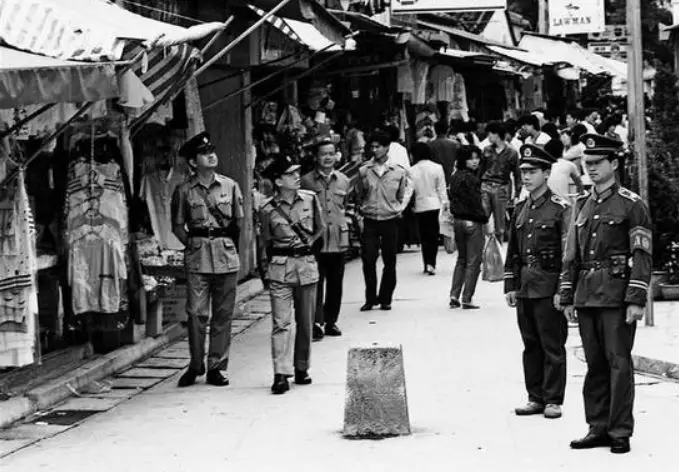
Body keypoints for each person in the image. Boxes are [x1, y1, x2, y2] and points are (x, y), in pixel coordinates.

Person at [560, 134, 652, 454]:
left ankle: (620, 431)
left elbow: (642, 253)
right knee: (595, 364)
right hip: (587, 294)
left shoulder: (631, 204)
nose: (591, 168)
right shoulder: (583, 204)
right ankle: (597, 426)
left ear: (614, 163)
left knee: (619, 364)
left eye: (598, 162)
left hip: (615, 295)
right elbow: (572, 253)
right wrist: (567, 293)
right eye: (587, 163)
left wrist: (636, 298)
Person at [171, 132, 244, 388]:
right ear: (193, 162)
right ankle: (195, 364)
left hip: (226, 256)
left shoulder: (230, 186)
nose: (211, 156)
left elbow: (238, 222)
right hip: (198, 257)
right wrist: (194, 244)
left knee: (223, 314)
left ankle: (216, 366)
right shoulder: (183, 190)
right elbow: (178, 226)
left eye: (212, 151)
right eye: (204, 153)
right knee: (196, 314)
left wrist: (228, 246)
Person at [504, 144, 571, 420]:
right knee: (530, 344)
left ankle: (553, 399)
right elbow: (513, 249)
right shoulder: (521, 208)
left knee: (552, 345)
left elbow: (568, 253)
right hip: (526, 285)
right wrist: (510, 284)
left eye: (532, 171)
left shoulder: (560, 208)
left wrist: (563, 290)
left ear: (546, 173)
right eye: (523, 172)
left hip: (548, 285)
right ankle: (535, 397)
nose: (527, 177)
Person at [259, 156, 325, 395]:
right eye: (290, 174)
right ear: (278, 181)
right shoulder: (267, 209)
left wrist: (307, 245)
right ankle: (280, 373)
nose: (297, 177)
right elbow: (266, 241)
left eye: (297, 172)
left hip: (306, 266)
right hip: (280, 268)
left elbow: (320, 228)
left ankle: (301, 367)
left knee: (306, 322)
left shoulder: (310, 198)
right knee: (281, 323)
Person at [301, 137, 351, 341]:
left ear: (336, 156)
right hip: (316, 239)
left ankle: (331, 321)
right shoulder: (306, 181)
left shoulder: (344, 180)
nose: (328, 158)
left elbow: (347, 206)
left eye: (331, 153)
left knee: (336, 283)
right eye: (323, 154)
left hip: (338, 239)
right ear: (316, 157)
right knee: (316, 282)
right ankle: (316, 322)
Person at [356, 130, 409, 311]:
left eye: (378, 146)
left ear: (387, 148)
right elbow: (360, 194)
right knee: (368, 259)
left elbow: (400, 195)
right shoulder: (364, 171)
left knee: (390, 260)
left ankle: (386, 298)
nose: (375, 150)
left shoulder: (398, 171)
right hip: (370, 219)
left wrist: (396, 208)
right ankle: (370, 298)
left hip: (390, 219)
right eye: (372, 147)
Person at [448, 146, 488, 309]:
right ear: (464, 160)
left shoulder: (454, 177)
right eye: (471, 158)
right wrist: (485, 219)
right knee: (473, 262)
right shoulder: (472, 179)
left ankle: (454, 295)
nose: (475, 161)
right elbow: (476, 203)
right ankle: (467, 298)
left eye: (477, 157)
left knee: (461, 260)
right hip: (472, 222)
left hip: (458, 221)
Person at [410, 142, 449, 275]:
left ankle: (426, 262)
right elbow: (441, 189)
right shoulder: (437, 167)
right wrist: (446, 204)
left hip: (420, 206)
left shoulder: (411, 170)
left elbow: (409, 191)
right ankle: (431, 263)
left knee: (424, 236)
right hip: (435, 204)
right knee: (433, 236)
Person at [482, 122, 521, 242]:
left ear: (497, 134)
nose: (488, 137)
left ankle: (498, 248)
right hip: (485, 186)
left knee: (500, 224)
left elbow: (517, 174)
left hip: (501, 187)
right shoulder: (486, 150)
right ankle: (483, 246)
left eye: (490, 134)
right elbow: (481, 170)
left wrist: (517, 193)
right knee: (482, 218)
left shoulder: (512, 153)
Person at [547, 137, 583, 202]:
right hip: (564, 203)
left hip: (547, 202)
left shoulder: (542, 167)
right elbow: (579, 184)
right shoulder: (570, 165)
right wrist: (580, 194)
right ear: (562, 149)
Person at [429, 120, 459, 188]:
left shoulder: (430, 145)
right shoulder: (455, 144)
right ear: (448, 130)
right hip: (450, 176)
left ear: (435, 130)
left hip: (434, 178)